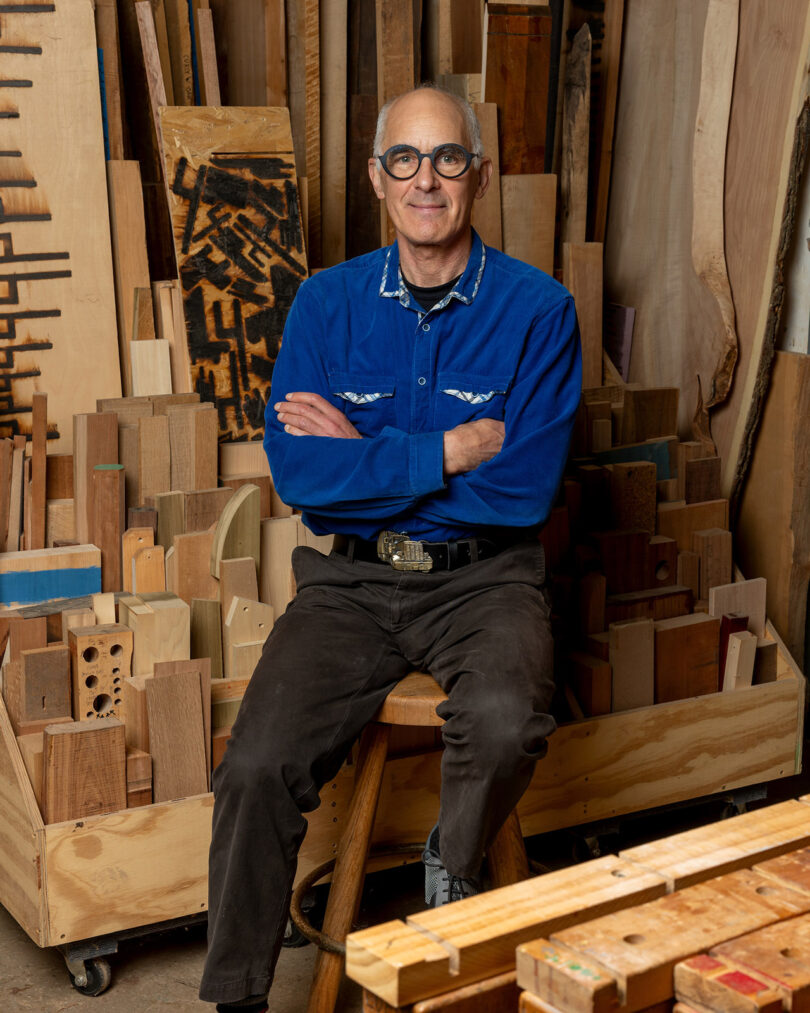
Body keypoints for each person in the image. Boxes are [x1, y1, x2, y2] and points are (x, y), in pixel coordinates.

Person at [200, 84, 581, 1013]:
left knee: (503, 720)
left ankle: (450, 869)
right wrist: (446, 449)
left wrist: (364, 456)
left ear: (478, 176)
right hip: (353, 583)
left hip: (485, 581)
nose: (426, 179)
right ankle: (237, 996)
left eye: (448, 158)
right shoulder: (325, 307)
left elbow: (519, 490)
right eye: (405, 159)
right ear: (376, 178)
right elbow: (302, 478)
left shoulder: (540, 312)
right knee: (254, 766)